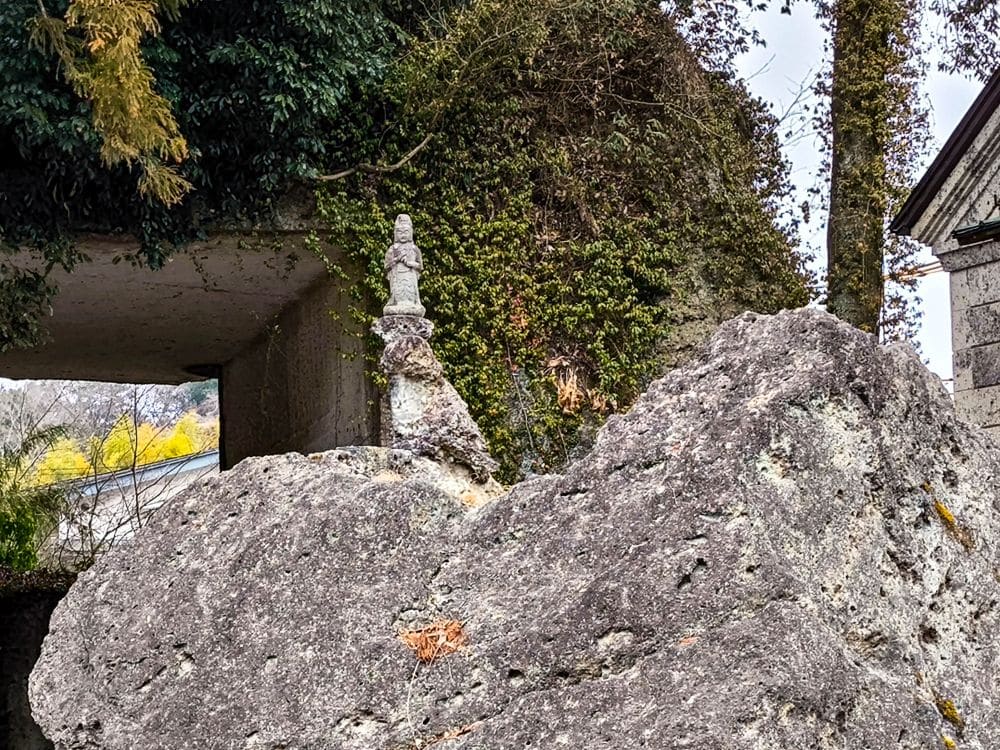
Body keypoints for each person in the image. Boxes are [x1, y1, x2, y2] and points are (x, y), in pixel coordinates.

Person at [383, 213, 425, 316]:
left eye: (406, 232)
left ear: (410, 232)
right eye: (399, 232)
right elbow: (386, 266)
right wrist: (397, 259)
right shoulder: (392, 249)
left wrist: (410, 263)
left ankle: (412, 303)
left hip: (410, 278)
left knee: (414, 305)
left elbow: (420, 266)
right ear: (395, 233)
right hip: (397, 278)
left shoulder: (414, 249)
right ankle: (396, 303)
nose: (403, 235)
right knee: (394, 303)